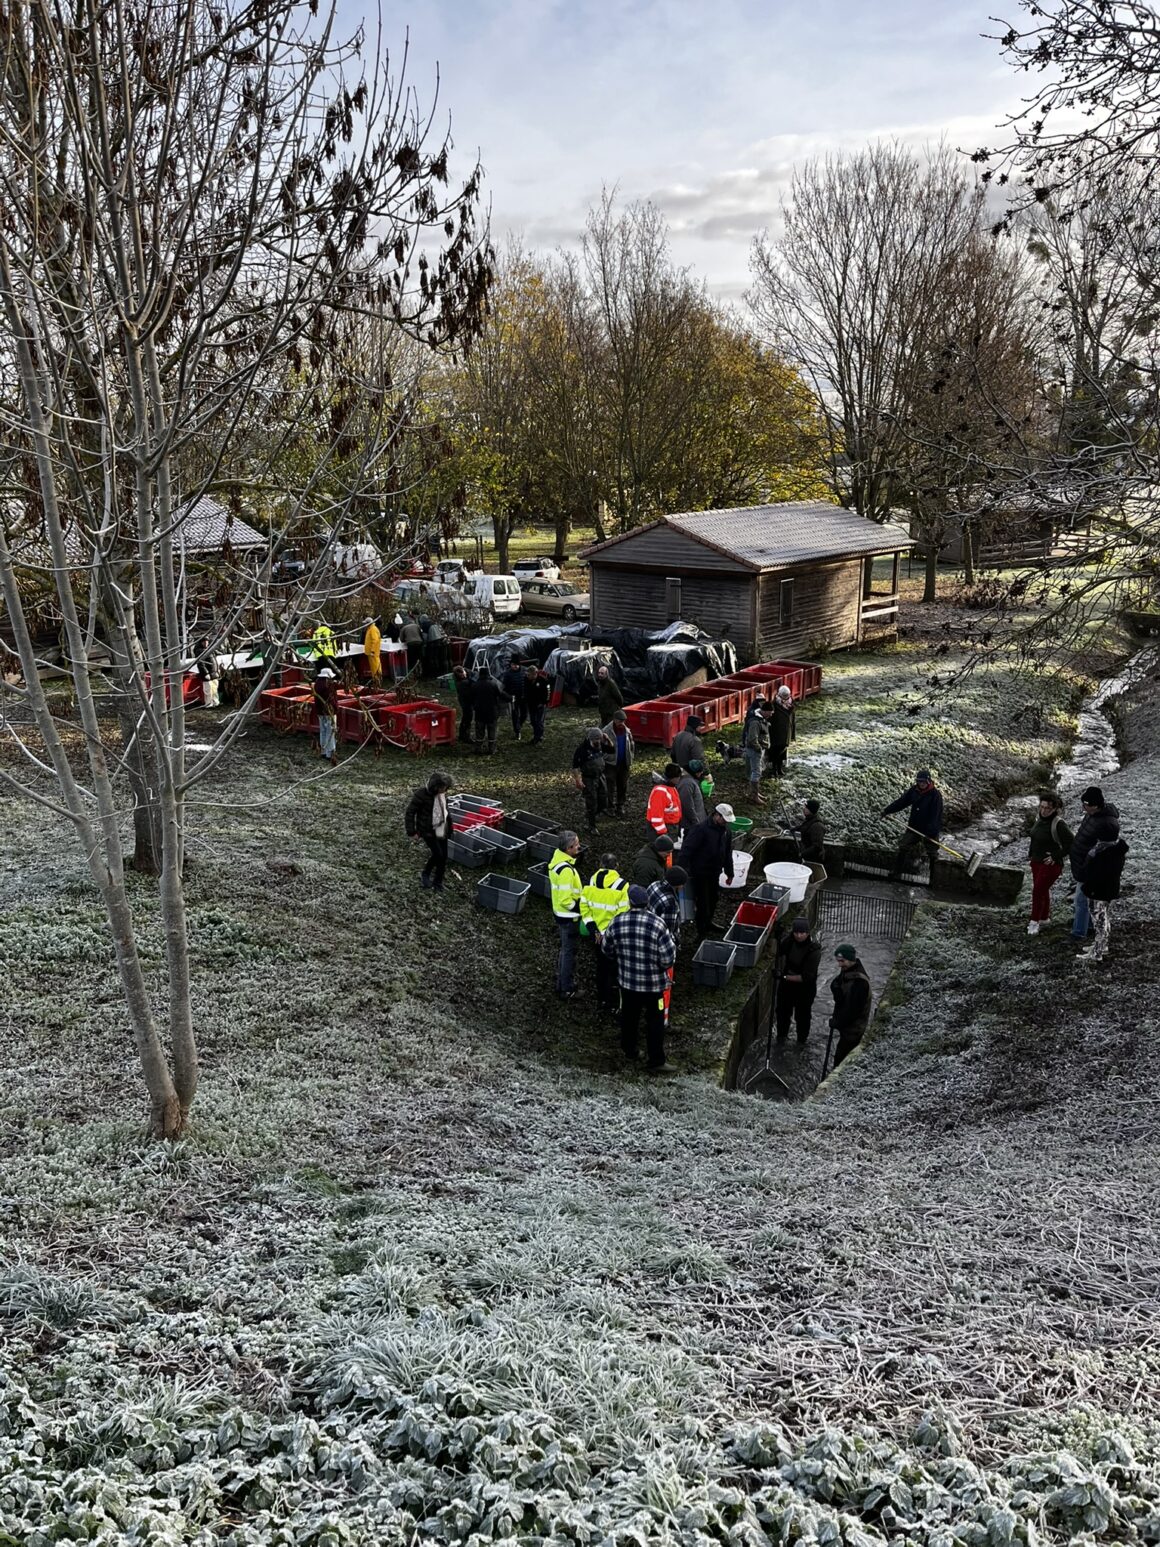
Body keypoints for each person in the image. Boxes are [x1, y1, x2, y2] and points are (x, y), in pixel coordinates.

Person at [601, 885, 677, 1071]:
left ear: (630, 902)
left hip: (627, 984)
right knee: (655, 1022)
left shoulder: (617, 921)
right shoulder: (658, 924)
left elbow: (606, 950)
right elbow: (668, 959)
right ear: (647, 902)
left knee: (629, 1018)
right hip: (653, 987)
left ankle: (630, 1050)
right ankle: (656, 1061)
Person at [1069, 786, 1121, 942]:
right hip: (1082, 865)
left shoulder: (1108, 824)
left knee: (1081, 900)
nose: (1083, 808)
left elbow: (1104, 852)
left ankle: (1078, 933)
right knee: (1086, 900)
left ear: (1095, 805)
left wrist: (1088, 865)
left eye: (1086, 805)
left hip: (1090, 868)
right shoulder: (1092, 815)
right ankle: (1089, 927)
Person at [580, 852, 630, 1013]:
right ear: (617, 866)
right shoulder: (622, 886)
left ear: (600, 865)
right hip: (614, 936)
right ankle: (615, 1001)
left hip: (597, 936)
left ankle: (602, 1001)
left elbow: (584, 907)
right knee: (615, 967)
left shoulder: (592, 881)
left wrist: (594, 930)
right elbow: (623, 914)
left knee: (601, 968)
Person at [681, 804, 735, 941]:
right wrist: (681, 871)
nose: (726, 822)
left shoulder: (726, 832)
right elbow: (687, 850)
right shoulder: (700, 829)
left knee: (713, 899)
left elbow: (728, 853)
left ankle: (708, 922)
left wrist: (730, 872)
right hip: (700, 873)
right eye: (724, 819)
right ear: (716, 815)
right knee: (703, 903)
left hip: (715, 872)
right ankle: (701, 931)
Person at [1026, 792, 1073, 935]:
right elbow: (1034, 838)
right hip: (1036, 862)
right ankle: (1044, 918)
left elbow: (1071, 843)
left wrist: (1055, 856)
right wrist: (1031, 856)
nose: (1044, 811)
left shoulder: (1059, 824)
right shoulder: (1039, 819)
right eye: (1042, 807)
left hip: (1051, 865)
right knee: (1042, 890)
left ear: (1055, 809)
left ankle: (1034, 923)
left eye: (1048, 808)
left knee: (1038, 891)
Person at [1078, 832, 1129, 962]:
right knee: (1104, 919)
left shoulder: (1104, 853)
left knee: (1100, 921)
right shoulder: (1116, 850)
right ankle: (1101, 946)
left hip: (1098, 892)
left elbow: (1096, 874)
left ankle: (1097, 952)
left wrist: (1088, 887)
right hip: (1107, 891)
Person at [882, 768, 944, 877]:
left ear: (928, 781)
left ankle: (933, 877)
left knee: (932, 853)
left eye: (923, 782)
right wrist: (887, 810)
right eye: (919, 782)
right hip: (914, 827)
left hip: (930, 830)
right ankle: (897, 872)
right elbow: (901, 802)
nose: (921, 784)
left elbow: (936, 815)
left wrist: (931, 832)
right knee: (903, 846)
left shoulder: (935, 795)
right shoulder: (914, 791)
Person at [404, 769, 454, 891]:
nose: (445, 791)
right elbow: (410, 812)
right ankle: (426, 873)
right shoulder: (421, 795)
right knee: (438, 854)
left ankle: (438, 882)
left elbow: (446, 813)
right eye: (444, 788)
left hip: (442, 829)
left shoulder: (441, 795)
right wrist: (412, 831)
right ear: (436, 786)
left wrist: (450, 827)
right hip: (428, 831)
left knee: (443, 856)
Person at [775, 916, 822, 1043]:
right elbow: (777, 952)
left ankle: (801, 1042)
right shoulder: (789, 941)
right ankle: (781, 1037)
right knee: (782, 1013)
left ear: (807, 933)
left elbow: (806, 977)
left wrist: (783, 977)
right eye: (796, 932)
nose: (799, 936)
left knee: (802, 1017)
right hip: (787, 986)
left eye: (802, 933)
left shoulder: (814, 950)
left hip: (804, 989)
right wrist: (776, 938)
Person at [549, 831, 583, 1000]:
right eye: (576, 844)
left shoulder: (558, 863)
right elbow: (565, 900)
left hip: (560, 916)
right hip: (569, 917)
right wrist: (580, 908)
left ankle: (561, 983)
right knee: (569, 952)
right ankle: (567, 988)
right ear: (568, 848)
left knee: (564, 951)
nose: (579, 846)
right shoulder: (566, 871)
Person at [829, 944, 872, 1066]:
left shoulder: (860, 983)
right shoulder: (848, 970)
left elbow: (852, 1012)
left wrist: (836, 1022)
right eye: (838, 961)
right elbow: (837, 983)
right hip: (846, 1026)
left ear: (851, 959)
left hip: (853, 1031)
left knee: (842, 1060)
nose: (839, 965)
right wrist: (835, 988)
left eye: (842, 961)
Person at [572, 725, 614, 834]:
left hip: (600, 776)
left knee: (604, 798)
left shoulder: (600, 744)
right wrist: (578, 780)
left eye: (599, 739)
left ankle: (593, 813)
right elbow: (575, 766)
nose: (598, 742)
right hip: (589, 779)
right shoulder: (582, 749)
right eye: (596, 740)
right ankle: (592, 825)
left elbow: (612, 749)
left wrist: (607, 739)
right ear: (591, 739)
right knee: (592, 802)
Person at [602, 709, 635, 816]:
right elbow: (600, 747)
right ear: (614, 719)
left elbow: (632, 745)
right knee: (609, 786)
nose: (622, 723)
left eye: (624, 721)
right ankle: (609, 807)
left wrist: (631, 757)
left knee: (623, 785)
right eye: (620, 721)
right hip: (610, 764)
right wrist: (605, 759)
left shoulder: (627, 731)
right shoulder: (606, 731)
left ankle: (620, 806)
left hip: (624, 763)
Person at [646, 864, 687, 943]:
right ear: (678, 884)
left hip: (647, 925)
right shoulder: (670, 904)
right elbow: (668, 929)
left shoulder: (654, 884)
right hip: (657, 937)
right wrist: (676, 942)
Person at [472, 664, 507, 756]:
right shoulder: (493, 684)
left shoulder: (475, 685)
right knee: (492, 731)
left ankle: (478, 748)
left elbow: (471, 697)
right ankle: (491, 749)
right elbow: (501, 694)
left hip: (479, 712)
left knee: (480, 731)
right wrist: (511, 698)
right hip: (492, 712)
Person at [742, 701, 771, 805]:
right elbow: (752, 739)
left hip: (756, 750)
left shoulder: (760, 719)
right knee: (756, 773)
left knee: (755, 772)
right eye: (770, 712)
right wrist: (759, 748)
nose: (771, 714)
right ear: (765, 711)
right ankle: (754, 796)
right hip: (755, 751)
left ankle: (755, 793)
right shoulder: (755, 722)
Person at [646, 766, 682, 837]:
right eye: (678, 777)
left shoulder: (671, 787)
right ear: (674, 778)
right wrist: (663, 833)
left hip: (669, 827)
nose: (679, 779)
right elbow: (656, 817)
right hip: (662, 830)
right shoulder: (661, 792)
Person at [312, 665, 339, 764]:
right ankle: (330, 753)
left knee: (323, 731)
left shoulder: (317, 684)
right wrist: (336, 709)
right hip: (329, 712)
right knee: (331, 732)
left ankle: (323, 751)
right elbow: (332, 700)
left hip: (320, 711)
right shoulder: (328, 686)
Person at [769, 686, 796, 777]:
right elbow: (770, 719)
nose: (786, 697)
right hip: (776, 733)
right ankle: (774, 769)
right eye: (784, 695)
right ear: (779, 695)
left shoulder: (791, 705)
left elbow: (793, 720)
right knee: (775, 751)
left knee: (783, 751)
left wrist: (792, 734)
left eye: (787, 695)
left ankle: (780, 768)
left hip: (786, 732)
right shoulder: (774, 705)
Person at [675, 761, 706, 834]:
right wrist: (696, 822)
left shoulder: (689, 780)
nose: (701, 774)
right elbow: (687, 806)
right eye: (699, 772)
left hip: (695, 824)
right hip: (690, 826)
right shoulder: (687, 784)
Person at [502, 659, 528, 740]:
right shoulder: (507, 674)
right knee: (515, 714)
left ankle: (518, 725)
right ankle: (517, 731)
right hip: (514, 698)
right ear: (511, 664)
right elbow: (505, 686)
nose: (515, 666)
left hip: (523, 697)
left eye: (517, 664)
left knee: (524, 714)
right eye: (513, 664)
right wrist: (508, 696)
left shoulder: (524, 671)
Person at [524, 665, 550, 744]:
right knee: (533, 721)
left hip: (540, 705)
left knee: (539, 721)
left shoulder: (543, 680)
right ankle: (536, 735)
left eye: (529, 675)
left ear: (534, 674)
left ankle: (538, 737)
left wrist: (544, 702)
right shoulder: (527, 680)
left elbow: (547, 693)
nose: (527, 676)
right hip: (531, 704)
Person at [452, 664, 475, 743]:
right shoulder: (461, 683)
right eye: (462, 675)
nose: (464, 675)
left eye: (464, 673)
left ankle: (462, 735)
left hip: (466, 700)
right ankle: (466, 736)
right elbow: (469, 691)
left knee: (465, 717)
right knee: (468, 717)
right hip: (465, 701)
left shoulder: (466, 672)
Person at [195, 637, 220, 708]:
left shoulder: (210, 649)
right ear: (201, 643)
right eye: (204, 642)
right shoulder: (199, 651)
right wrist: (205, 673)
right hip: (207, 674)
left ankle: (215, 702)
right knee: (208, 689)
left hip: (213, 673)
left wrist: (217, 670)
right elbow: (201, 664)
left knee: (214, 688)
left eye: (207, 642)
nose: (206, 643)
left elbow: (215, 661)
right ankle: (208, 703)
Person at [362, 616, 382, 687]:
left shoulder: (372, 629)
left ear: (368, 623)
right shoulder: (370, 629)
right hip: (371, 652)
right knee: (375, 666)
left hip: (373, 653)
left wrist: (372, 651)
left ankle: (377, 681)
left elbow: (375, 640)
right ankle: (376, 680)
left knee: (375, 667)